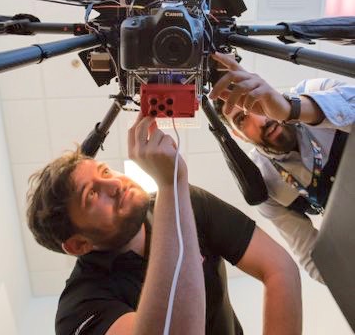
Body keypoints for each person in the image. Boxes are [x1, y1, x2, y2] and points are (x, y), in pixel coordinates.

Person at [27, 113, 302, 335]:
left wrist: (175, 190)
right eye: (92, 194)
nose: (113, 184)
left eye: (105, 172)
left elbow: (280, 269)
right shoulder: (79, 308)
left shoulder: (188, 202)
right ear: (78, 244)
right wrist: (172, 186)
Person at [210, 51, 355, 282]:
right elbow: (313, 258)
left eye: (253, 99)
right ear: (239, 137)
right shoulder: (263, 184)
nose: (260, 119)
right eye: (241, 119)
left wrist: (290, 110)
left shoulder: (316, 91)